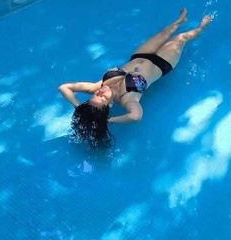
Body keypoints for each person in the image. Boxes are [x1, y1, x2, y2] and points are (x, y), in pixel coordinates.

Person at [58, 8, 212, 144]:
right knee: (181, 38)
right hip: (162, 63)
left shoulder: (98, 86)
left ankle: (180, 20)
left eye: (95, 95)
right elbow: (135, 117)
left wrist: (78, 107)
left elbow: (64, 87)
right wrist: (109, 120)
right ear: (109, 105)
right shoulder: (127, 99)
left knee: (164, 33)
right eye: (102, 97)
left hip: (139, 55)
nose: (100, 92)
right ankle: (201, 27)